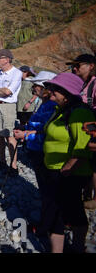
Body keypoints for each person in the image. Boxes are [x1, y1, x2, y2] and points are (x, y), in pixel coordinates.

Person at [41, 73, 95, 253]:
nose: (51, 91)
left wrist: (66, 169)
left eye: (56, 89)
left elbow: (83, 147)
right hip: (55, 170)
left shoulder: (79, 112)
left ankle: (78, 247)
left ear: (67, 92)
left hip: (71, 174)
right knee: (57, 214)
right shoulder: (62, 109)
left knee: (73, 212)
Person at [13, 71, 57, 237]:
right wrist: (26, 129)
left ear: (46, 87)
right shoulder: (44, 103)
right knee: (44, 189)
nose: (33, 87)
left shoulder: (51, 106)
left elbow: (48, 133)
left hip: (43, 152)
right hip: (37, 150)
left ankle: (47, 225)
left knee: (48, 191)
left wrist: (26, 135)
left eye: (37, 85)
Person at [0, 49, 23, 176]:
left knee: (9, 135)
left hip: (7, 107)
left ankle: (13, 166)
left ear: (6, 59)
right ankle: (2, 161)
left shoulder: (16, 73)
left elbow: (8, 92)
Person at [66, 54, 96, 210]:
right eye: (73, 66)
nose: (74, 68)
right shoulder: (82, 84)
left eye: (78, 65)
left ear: (91, 66)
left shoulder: (95, 84)